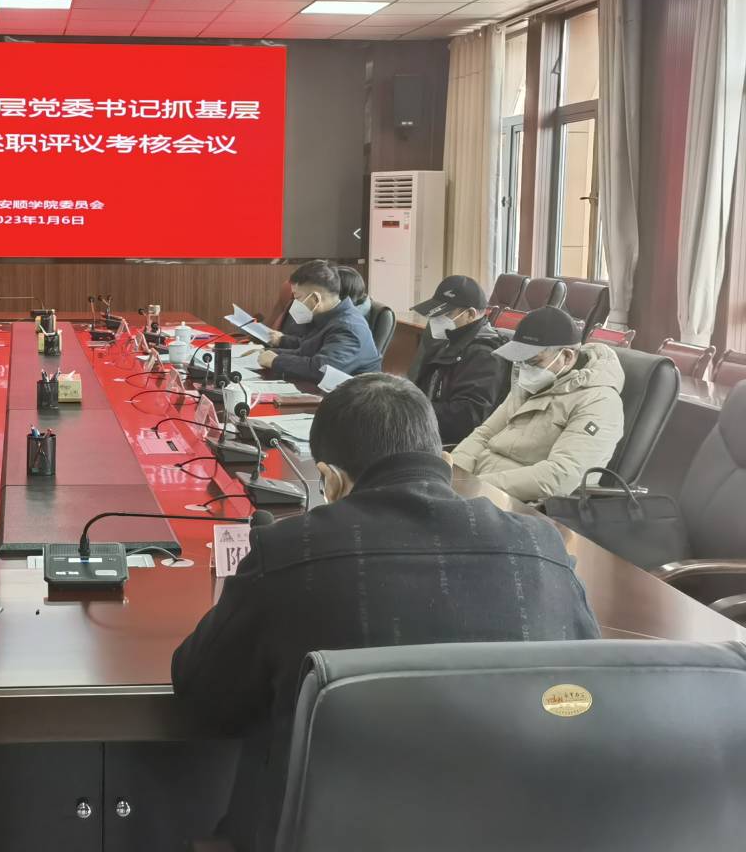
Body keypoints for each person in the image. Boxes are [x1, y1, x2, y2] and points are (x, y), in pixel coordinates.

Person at [171, 374, 600, 852]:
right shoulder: (542, 547)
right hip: (514, 832)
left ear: (330, 480)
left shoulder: (288, 551)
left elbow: (201, 699)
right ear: (445, 463)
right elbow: (586, 698)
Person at [452, 305, 625, 501]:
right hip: (478, 489)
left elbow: (560, 476)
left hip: (526, 504)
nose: (524, 368)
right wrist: (452, 473)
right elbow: (484, 434)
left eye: (533, 362)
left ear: (566, 356)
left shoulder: (599, 403)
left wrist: (475, 486)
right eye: (520, 361)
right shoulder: (532, 384)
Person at [406, 275, 509, 445]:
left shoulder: (485, 355)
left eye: (445, 313)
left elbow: (467, 419)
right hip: (424, 428)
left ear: (470, 314)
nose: (435, 320)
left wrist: (411, 411)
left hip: (446, 442)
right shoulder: (449, 340)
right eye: (435, 313)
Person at [257, 260, 381, 381]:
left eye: (297, 298)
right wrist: (266, 352)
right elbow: (304, 351)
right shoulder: (327, 317)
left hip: (353, 393)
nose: (294, 304)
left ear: (315, 299)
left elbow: (321, 370)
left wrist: (275, 361)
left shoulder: (348, 328)